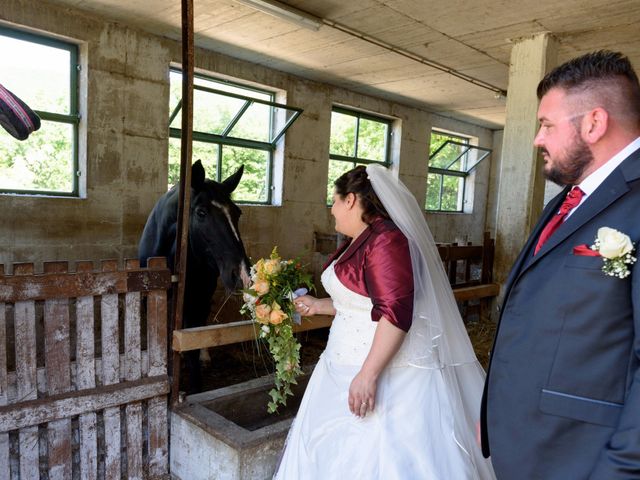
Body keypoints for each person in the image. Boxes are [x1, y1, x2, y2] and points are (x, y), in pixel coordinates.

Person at [274, 165, 495, 479]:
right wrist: (318, 305)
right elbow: (363, 303)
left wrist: (368, 374)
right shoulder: (361, 239)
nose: (332, 210)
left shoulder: (387, 239)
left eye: (334, 201)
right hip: (339, 364)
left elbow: (395, 312)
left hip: (383, 372)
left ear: (351, 200)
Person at [481, 50, 640, 479]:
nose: (537, 139)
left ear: (593, 123)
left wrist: (619, 471)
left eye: (547, 124)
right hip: (533, 443)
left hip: (585, 458)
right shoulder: (567, 200)